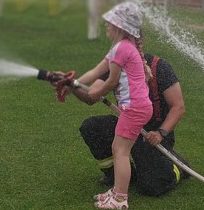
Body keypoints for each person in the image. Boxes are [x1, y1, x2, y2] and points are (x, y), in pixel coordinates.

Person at [70, 2, 153, 210]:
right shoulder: (121, 47)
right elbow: (96, 72)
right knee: (119, 149)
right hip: (135, 107)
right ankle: (116, 191)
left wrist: (94, 94)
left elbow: (111, 81)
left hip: (134, 108)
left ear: (120, 27)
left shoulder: (122, 48)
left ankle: (120, 198)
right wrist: (73, 83)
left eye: (110, 22)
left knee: (120, 151)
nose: (106, 25)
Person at [74, 46, 188, 198]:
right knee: (92, 127)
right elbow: (91, 97)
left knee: (152, 186)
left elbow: (178, 107)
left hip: (153, 135)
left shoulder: (159, 67)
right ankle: (114, 174)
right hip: (127, 128)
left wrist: (160, 133)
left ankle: (178, 166)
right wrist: (71, 86)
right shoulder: (115, 67)